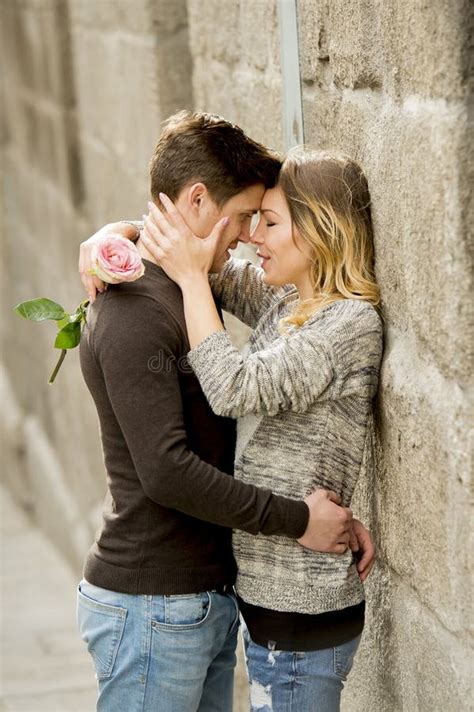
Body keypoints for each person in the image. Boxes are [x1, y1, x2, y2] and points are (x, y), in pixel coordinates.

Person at [77, 112, 375, 712]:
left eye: (266, 222)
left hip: (239, 600)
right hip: (165, 602)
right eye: (247, 218)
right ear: (196, 201)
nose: (248, 237)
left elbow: (239, 389)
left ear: (320, 234)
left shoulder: (316, 311)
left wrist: (140, 242)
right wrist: (120, 235)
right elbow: (169, 469)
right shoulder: (150, 309)